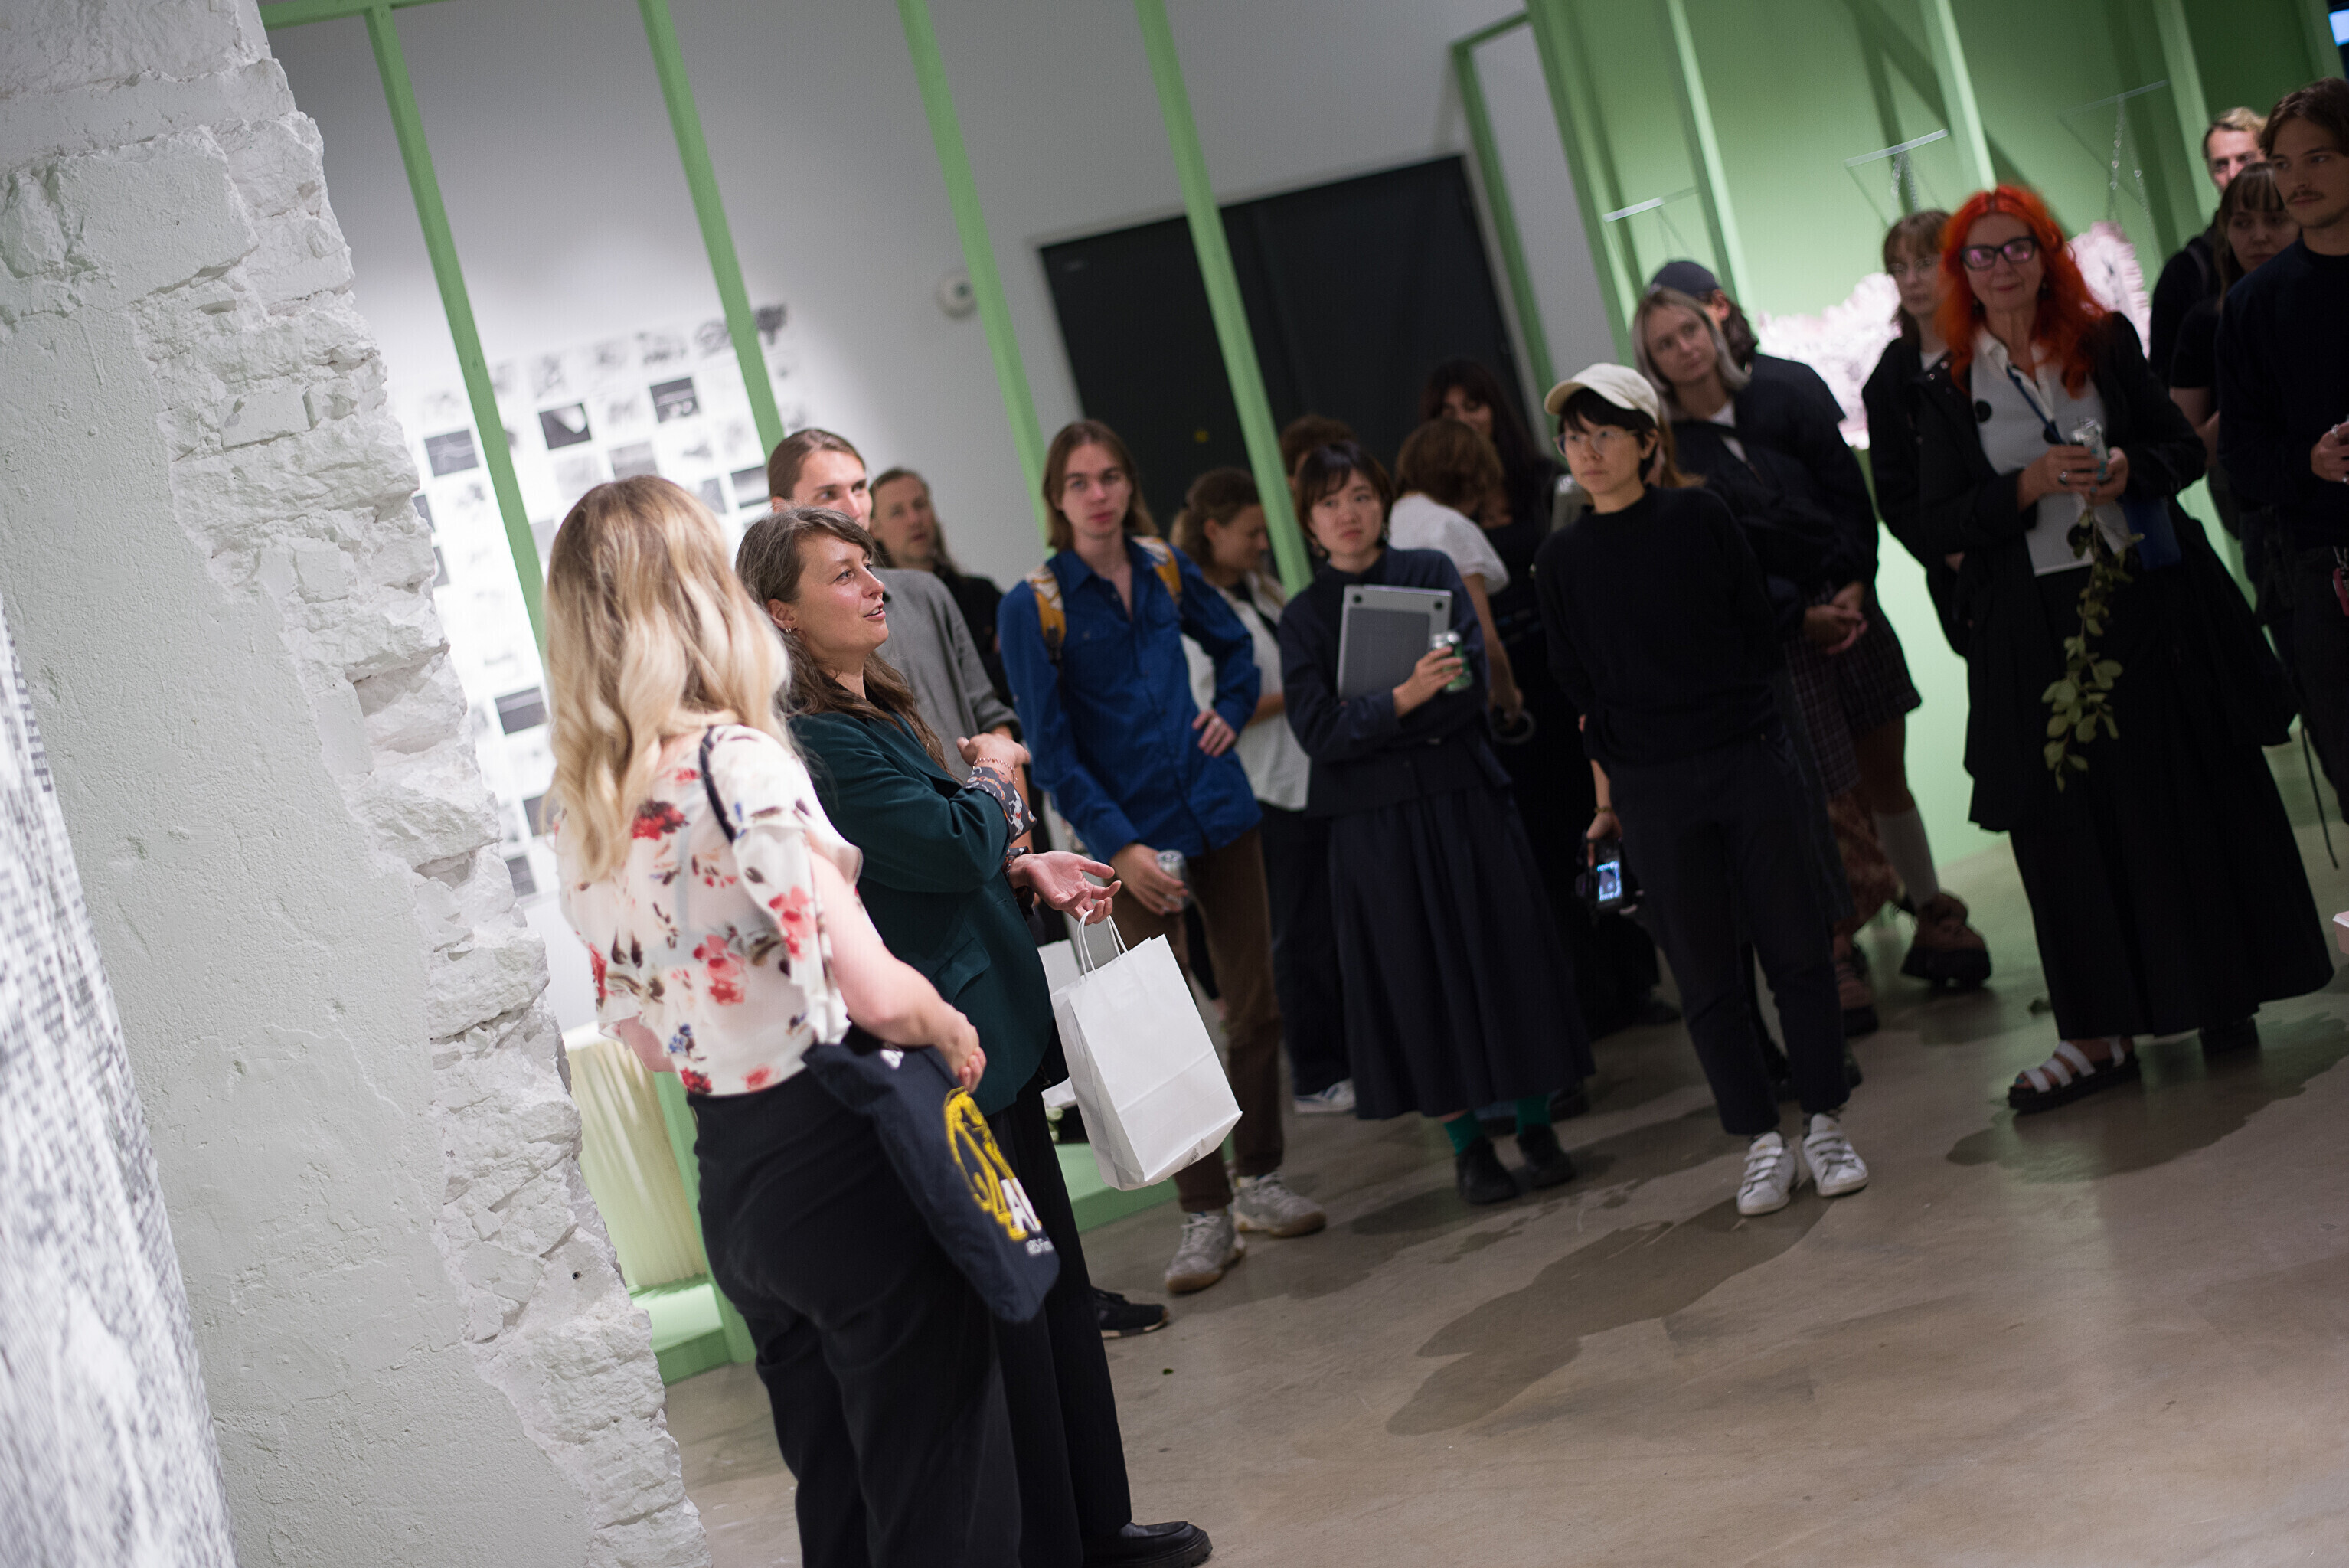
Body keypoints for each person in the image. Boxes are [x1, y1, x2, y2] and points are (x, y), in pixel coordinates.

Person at [543, 475, 1016, 1566]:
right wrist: (948, 1027)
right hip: (845, 1147)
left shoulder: (584, 809)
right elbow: (876, 990)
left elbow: (641, 1037)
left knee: (839, 1500)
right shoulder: (737, 763)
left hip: (735, 1177)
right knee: (940, 1500)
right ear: (700, 599)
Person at [738, 506, 1210, 1568]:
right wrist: (999, 772)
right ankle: (1056, 1540)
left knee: (1057, 1298)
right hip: (951, 1061)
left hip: (991, 1033)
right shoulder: (816, 740)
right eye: (843, 573)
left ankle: (1096, 1522)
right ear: (783, 612)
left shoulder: (874, 705)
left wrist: (1019, 860)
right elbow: (947, 845)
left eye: (869, 566)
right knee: (1018, 1312)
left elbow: (946, 858)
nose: (874, 587)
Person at [1916, 184, 2328, 1110]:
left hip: (2146, 601)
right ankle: (2097, 1031)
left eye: (2016, 247)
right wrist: (2025, 485)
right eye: (1980, 254)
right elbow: (1933, 520)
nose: (2001, 267)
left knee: (2175, 799)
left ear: (2045, 254)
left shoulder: (2101, 341)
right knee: (2066, 830)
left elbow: (2180, 450)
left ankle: (2219, 989)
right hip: (2033, 630)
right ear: (1960, 273)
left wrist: (2127, 469)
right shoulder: (1943, 387)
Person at [1533, 368, 1870, 1216]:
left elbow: (1755, 629)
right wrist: (1606, 801)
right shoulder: (1560, 557)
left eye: (1604, 433)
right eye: (1573, 437)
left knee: (1796, 947)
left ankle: (1824, 1122)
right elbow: (1581, 693)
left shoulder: (1699, 515)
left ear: (1648, 441)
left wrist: (1727, 719)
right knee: (1705, 970)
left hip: (1744, 756)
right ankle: (1759, 1139)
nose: (1586, 451)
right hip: (1650, 786)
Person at [1000, 420, 1325, 1295]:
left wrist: (1230, 707)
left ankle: (1260, 1177)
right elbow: (1051, 753)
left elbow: (1233, 646)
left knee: (1254, 1006)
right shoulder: (1034, 603)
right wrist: (1121, 847)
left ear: (1129, 484)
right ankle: (1204, 1211)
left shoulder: (1163, 566)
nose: (1097, 494)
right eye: (1079, 482)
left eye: (1110, 476)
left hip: (1220, 812)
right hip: (1126, 838)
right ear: (1056, 497)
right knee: (1161, 1025)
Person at [1637, 286, 1992, 1023]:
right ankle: (1837, 945)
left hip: (1852, 604)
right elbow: (1710, 562)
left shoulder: (1784, 395)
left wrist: (1857, 584)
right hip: (1777, 637)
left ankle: (1930, 908)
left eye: (1690, 330)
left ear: (1714, 327)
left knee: (1886, 777)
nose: (1685, 348)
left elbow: (1849, 497)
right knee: (1818, 796)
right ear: (1653, 362)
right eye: (1665, 343)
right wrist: (1797, 617)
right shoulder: (1667, 450)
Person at [1275, 440, 1589, 1204]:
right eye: (1328, 503)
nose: (1347, 514)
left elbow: (1469, 688)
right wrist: (1403, 699)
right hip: (1371, 825)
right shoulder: (1304, 615)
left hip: (1463, 795)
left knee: (1506, 955)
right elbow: (1318, 732)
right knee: (1413, 977)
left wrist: (1376, 716)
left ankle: (1536, 1125)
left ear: (1382, 500)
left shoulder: (1429, 572)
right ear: (1309, 522)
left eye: (1359, 495)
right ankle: (1466, 1146)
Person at [1421, 361, 1668, 1044]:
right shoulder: (1441, 512)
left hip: (1573, 669)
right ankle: (1589, 991)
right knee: (1548, 846)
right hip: (1509, 688)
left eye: (1474, 404)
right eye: (1448, 410)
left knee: (1604, 822)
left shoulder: (1544, 479)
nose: (1465, 419)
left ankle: (1636, 974)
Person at [1166, 469, 1354, 1116]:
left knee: (1325, 927)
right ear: (1212, 531)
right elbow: (1210, 711)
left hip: (1304, 777)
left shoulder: (1259, 590)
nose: (1261, 544)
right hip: (1262, 788)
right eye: (1250, 533)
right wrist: (1307, 695)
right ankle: (1316, 1073)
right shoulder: (1194, 615)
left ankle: (1347, 1055)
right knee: (1296, 938)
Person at [2224, 79, 2349, 815]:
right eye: (2283, 163)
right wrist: (2310, 461)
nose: (2298, 180)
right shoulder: (2253, 305)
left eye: (2319, 157)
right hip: (2325, 571)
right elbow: (2240, 456)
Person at [770, 430, 1011, 779]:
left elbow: (990, 716)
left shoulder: (927, 593)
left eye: (859, 488)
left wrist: (1011, 804)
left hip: (982, 799)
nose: (854, 508)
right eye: (829, 494)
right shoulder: (778, 644)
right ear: (782, 509)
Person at [2171, 162, 2297, 638]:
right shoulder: (2206, 324)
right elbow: (2187, 451)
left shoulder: (2328, 299)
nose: (2259, 236)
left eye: (2275, 219)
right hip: (2264, 517)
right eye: (2243, 223)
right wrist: (2247, 404)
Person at [1861, 208, 1967, 654]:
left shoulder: (1990, 349)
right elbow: (1896, 494)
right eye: (1898, 269)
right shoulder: (1889, 376)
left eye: (1925, 264)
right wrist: (1946, 553)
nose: (1911, 281)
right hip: (1958, 576)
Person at [1389, 418, 1522, 719]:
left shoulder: (1389, 522)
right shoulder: (1449, 526)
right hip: (1456, 694)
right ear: (1470, 476)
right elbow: (1484, 638)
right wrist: (1509, 698)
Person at [871, 466, 1014, 704]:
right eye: (897, 512)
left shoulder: (982, 595)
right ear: (875, 529)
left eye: (920, 505)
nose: (914, 520)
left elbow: (1020, 671)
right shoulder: (877, 617)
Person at [2151, 107, 2268, 385]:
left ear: (2268, 156)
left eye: (2245, 159)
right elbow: (2166, 381)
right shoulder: (2186, 270)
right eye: (2221, 165)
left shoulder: (2310, 241)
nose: (2234, 174)